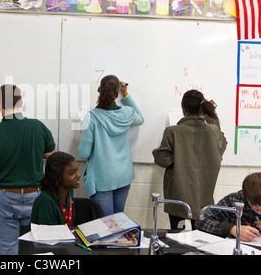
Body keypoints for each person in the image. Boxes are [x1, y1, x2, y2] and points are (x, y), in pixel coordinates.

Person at [0, 84, 56, 255]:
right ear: (21, 102)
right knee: (33, 245)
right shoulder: (38, 127)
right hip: (34, 195)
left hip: (3, 197)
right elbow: (52, 156)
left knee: (7, 245)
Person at [152, 89, 227, 230]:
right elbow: (221, 147)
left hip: (177, 193)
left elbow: (162, 159)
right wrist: (211, 116)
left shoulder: (173, 131)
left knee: (177, 233)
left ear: (183, 109)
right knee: (199, 235)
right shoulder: (213, 131)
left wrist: (179, 156)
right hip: (203, 194)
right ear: (202, 108)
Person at [78, 75, 144, 216]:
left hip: (101, 179)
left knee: (105, 227)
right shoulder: (127, 112)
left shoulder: (91, 117)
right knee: (119, 223)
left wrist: (81, 132)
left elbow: (84, 153)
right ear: (116, 94)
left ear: (98, 90)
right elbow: (140, 118)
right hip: (123, 175)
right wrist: (125, 94)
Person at [196, 172, 261, 242]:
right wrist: (232, 229)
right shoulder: (232, 200)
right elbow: (201, 222)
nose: (260, 213)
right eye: (257, 209)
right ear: (247, 197)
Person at [31, 152, 81, 228]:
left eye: (77, 171)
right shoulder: (45, 201)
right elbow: (47, 237)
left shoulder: (69, 191)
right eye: (72, 173)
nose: (78, 175)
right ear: (58, 176)